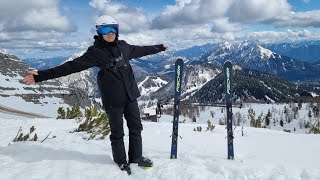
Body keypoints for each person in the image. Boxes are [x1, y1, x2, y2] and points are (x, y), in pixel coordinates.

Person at [23, 15, 168, 173]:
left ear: (117, 30)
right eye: (105, 29)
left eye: (113, 28)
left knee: (136, 128)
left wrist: (160, 47)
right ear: (99, 31)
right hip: (113, 100)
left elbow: (142, 50)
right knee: (117, 132)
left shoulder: (124, 46)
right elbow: (70, 67)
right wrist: (40, 76)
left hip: (131, 96)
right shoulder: (95, 52)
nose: (110, 33)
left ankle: (136, 158)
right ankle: (121, 161)